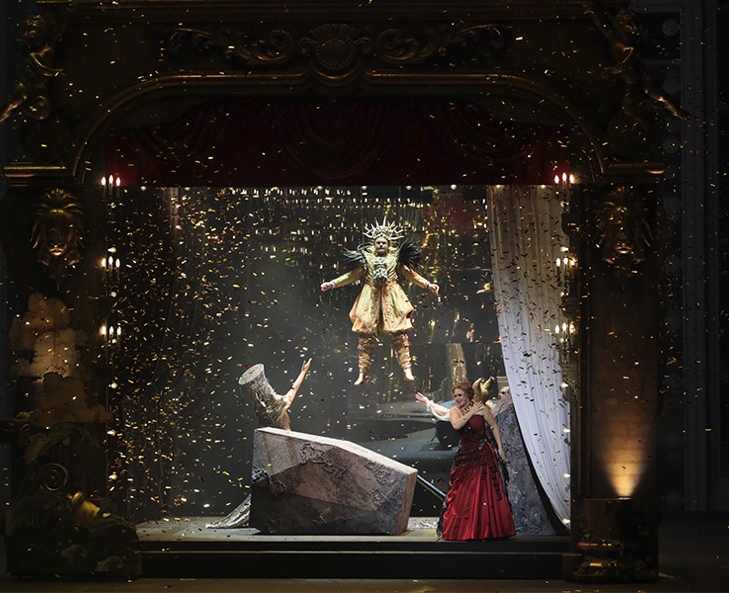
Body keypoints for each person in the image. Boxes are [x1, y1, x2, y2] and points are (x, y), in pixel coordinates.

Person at [320, 220, 439, 384]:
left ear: (389, 244)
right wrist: (332, 283)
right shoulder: (367, 259)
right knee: (365, 335)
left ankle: (407, 368)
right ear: (374, 244)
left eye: (384, 242)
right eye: (378, 242)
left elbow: (411, 275)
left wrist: (427, 284)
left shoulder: (395, 259)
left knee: (399, 334)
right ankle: (362, 372)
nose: (381, 245)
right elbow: (352, 276)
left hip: (392, 297)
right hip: (370, 297)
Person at [207, 358, 312, 529]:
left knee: (274, 487)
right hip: (286, 449)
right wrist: (303, 372)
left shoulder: (261, 410)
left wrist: (256, 388)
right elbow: (293, 389)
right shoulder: (278, 406)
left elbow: (262, 396)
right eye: (271, 389)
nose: (273, 389)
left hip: (273, 450)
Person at [439, 379, 516, 540]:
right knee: (464, 491)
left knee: (483, 491)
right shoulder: (455, 410)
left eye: (460, 395)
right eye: (455, 396)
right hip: (465, 456)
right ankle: (466, 529)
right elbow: (457, 425)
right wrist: (472, 412)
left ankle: (485, 529)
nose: (457, 399)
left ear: (468, 395)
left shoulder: (481, 408)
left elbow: (494, 426)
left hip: (482, 454)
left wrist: (500, 448)